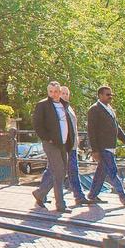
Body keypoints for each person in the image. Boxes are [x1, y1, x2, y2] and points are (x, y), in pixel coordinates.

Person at [31, 81, 87, 211]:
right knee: (59, 172)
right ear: (48, 92)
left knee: (60, 172)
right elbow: (37, 125)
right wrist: (47, 138)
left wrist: (71, 141)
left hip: (64, 144)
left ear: (59, 92)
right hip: (51, 144)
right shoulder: (43, 105)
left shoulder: (64, 105)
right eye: (51, 91)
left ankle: (40, 193)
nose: (53, 94)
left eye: (56, 91)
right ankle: (60, 205)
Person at [86, 85, 125, 206]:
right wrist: (94, 150)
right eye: (107, 95)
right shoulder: (94, 110)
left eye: (111, 95)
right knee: (112, 171)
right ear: (100, 95)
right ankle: (123, 197)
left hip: (110, 146)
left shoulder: (110, 109)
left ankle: (92, 195)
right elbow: (91, 131)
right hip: (103, 147)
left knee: (101, 172)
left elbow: (117, 128)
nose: (110, 97)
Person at [60, 86, 90, 198]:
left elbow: (74, 126)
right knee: (53, 172)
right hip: (64, 145)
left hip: (72, 145)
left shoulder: (69, 108)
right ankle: (41, 193)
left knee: (73, 170)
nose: (65, 95)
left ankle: (79, 196)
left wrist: (76, 139)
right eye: (63, 93)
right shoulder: (59, 108)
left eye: (67, 94)